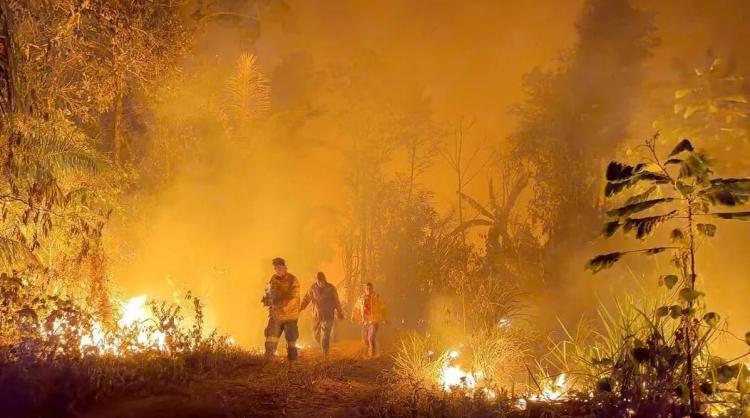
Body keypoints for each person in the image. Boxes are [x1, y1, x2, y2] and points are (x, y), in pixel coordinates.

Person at [261, 257, 301, 362]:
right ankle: (268, 362)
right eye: (275, 268)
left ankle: (293, 364)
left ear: (284, 267)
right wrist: (266, 299)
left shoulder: (293, 279)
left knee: (291, 340)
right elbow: (268, 292)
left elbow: (294, 298)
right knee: (270, 338)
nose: (277, 270)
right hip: (276, 315)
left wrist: (281, 307)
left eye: (279, 267)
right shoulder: (273, 279)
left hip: (290, 316)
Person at [300, 272, 345, 358]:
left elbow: (336, 301)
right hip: (316, 316)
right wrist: (301, 307)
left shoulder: (331, 288)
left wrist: (340, 312)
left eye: (322, 281)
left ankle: (325, 353)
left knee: (325, 334)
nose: (321, 283)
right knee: (316, 336)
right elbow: (306, 298)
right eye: (319, 281)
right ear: (316, 281)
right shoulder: (313, 288)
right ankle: (324, 345)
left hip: (328, 315)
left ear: (325, 280)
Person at [351, 282, 387, 358]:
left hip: (374, 320)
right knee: (364, 339)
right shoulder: (361, 298)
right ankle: (366, 354)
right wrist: (353, 317)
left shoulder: (377, 297)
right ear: (364, 289)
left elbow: (383, 307)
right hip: (364, 321)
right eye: (367, 288)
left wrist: (384, 318)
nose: (368, 290)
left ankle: (372, 355)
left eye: (370, 288)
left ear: (372, 288)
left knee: (371, 338)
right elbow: (356, 308)